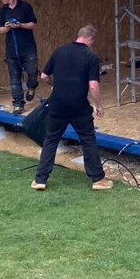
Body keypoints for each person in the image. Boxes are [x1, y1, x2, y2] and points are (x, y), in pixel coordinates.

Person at [31, 25, 113, 191]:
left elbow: (44, 76)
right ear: (90, 39)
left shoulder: (59, 51)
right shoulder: (91, 56)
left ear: (79, 36)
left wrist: (56, 85)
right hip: (79, 106)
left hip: (57, 104)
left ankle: (40, 179)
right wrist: (99, 105)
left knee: (51, 139)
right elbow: (93, 86)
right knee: (88, 139)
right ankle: (97, 179)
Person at [0, 0, 39, 115]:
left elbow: (33, 25)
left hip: (28, 49)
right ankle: (18, 104)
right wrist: (8, 26)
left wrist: (20, 24)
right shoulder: (3, 11)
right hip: (11, 51)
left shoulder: (25, 7)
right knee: (14, 79)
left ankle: (32, 86)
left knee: (32, 73)